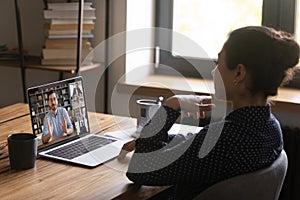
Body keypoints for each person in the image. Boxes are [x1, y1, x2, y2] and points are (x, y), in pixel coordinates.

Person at [126, 26, 299, 199]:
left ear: (239, 73)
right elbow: (193, 151)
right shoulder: (269, 127)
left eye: (219, 63)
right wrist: (155, 140)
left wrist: (173, 104)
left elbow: (140, 170)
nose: (213, 71)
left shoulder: (226, 140)